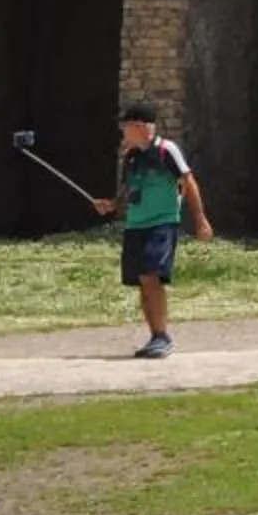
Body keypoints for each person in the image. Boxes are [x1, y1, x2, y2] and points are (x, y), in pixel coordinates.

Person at [90, 102, 212, 359]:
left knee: (150, 276)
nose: (122, 132)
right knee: (142, 282)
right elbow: (127, 192)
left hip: (162, 223)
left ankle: (163, 336)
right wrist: (112, 205)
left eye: (125, 126)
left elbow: (188, 181)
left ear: (139, 126)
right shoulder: (131, 157)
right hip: (135, 225)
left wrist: (200, 219)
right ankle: (155, 335)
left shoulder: (167, 150)